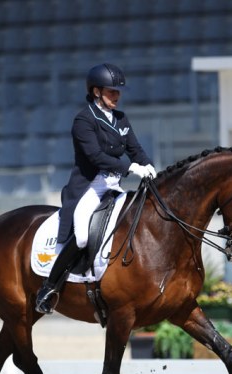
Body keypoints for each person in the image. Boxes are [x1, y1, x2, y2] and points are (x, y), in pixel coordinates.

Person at [36, 63, 156, 314]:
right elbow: (95, 156)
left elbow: (136, 149)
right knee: (81, 236)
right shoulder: (84, 120)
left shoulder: (121, 119)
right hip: (90, 187)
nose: (116, 96)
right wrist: (131, 168)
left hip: (114, 187)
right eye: (111, 92)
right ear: (96, 91)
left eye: (117, 92)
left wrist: (149, 167)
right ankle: (49, 287)